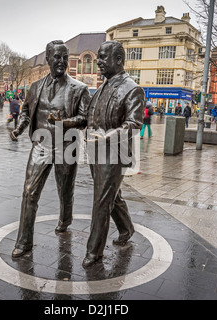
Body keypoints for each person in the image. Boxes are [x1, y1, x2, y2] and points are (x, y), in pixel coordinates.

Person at [10, 40, 91, 258]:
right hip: (41, 145)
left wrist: (66, 122)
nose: (61, 61)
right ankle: (24, 241)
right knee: (29, 191)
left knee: (65, 191)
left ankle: (65, 219)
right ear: (48, 58)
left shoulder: (79, 89)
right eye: (57, 57)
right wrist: (20, 126)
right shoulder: (36, 87)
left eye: (65, 57)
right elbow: (27, 111)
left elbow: (85, 119)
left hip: (66, 146)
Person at [83, 40, 145, 268]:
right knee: (112, 196)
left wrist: (107, 136)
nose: (98, 62)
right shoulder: (102, 87)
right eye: (97, 57)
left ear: (118, 60)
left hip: (115, 154)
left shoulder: (132, 89)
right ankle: (126, 228)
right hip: (95, 151)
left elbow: (134, 124)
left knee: (101, 200)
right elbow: (90, 117)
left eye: (102, 57)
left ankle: (94, 251)